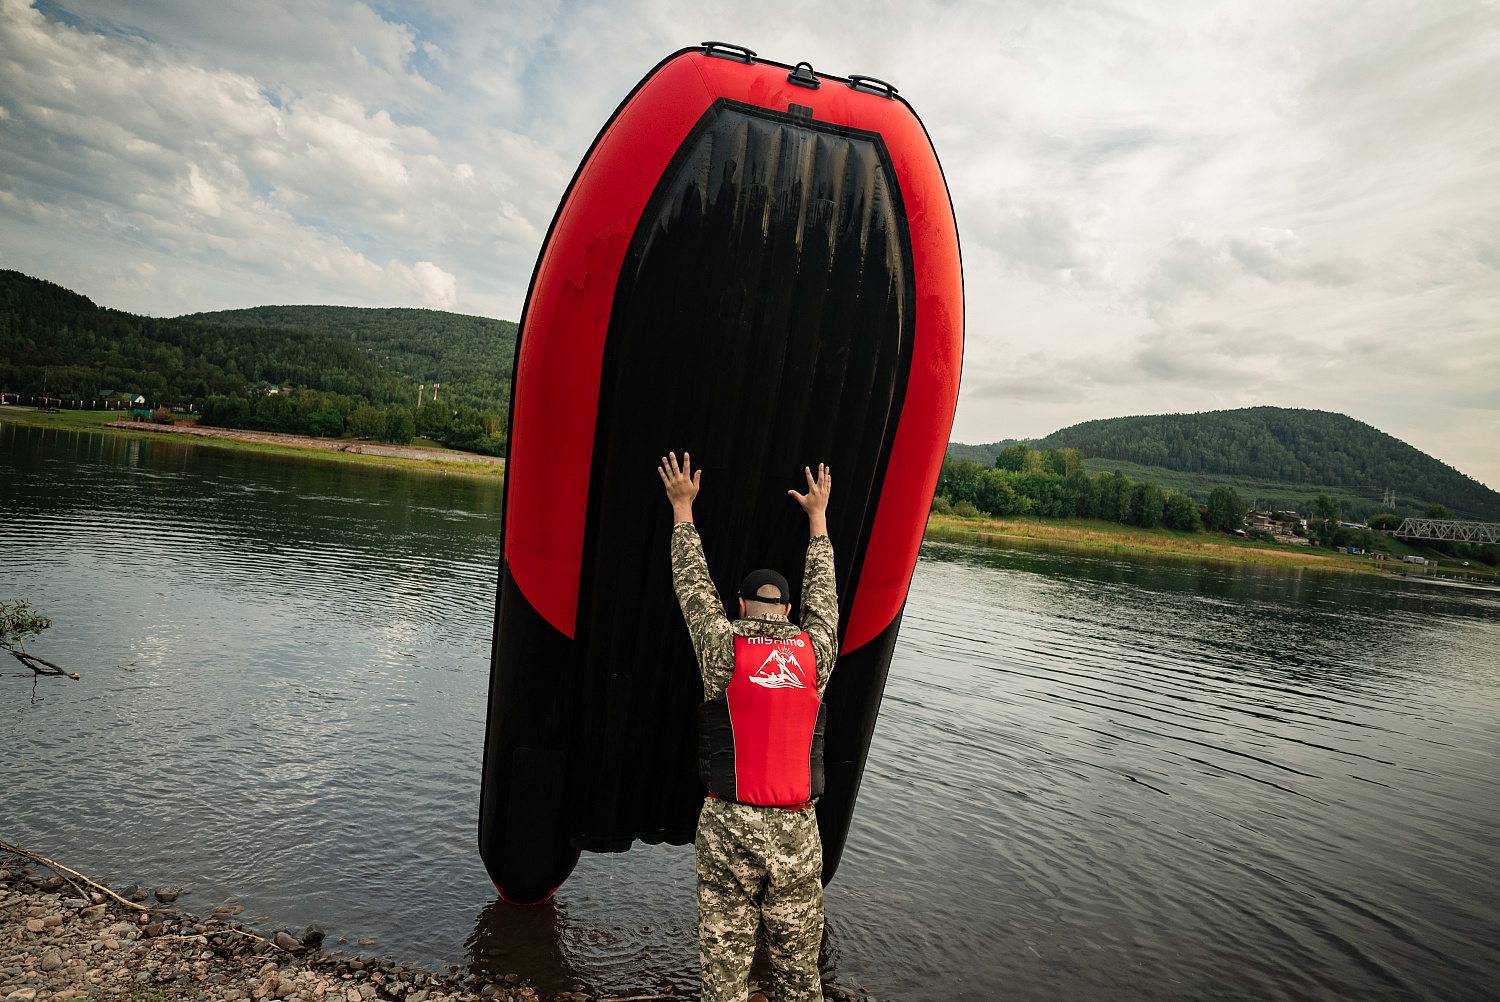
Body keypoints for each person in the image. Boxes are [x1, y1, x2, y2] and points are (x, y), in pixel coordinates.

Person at [657, 451, 837, 1002]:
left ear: (740, 605)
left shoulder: (722, 647)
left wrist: (683, 507)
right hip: (796, 831)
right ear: (787, 611)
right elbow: (825, 598)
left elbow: (693, 589)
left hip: (727, 828)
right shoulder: (817, 652)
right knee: (799, 977)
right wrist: (818, 519)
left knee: (724, 977)